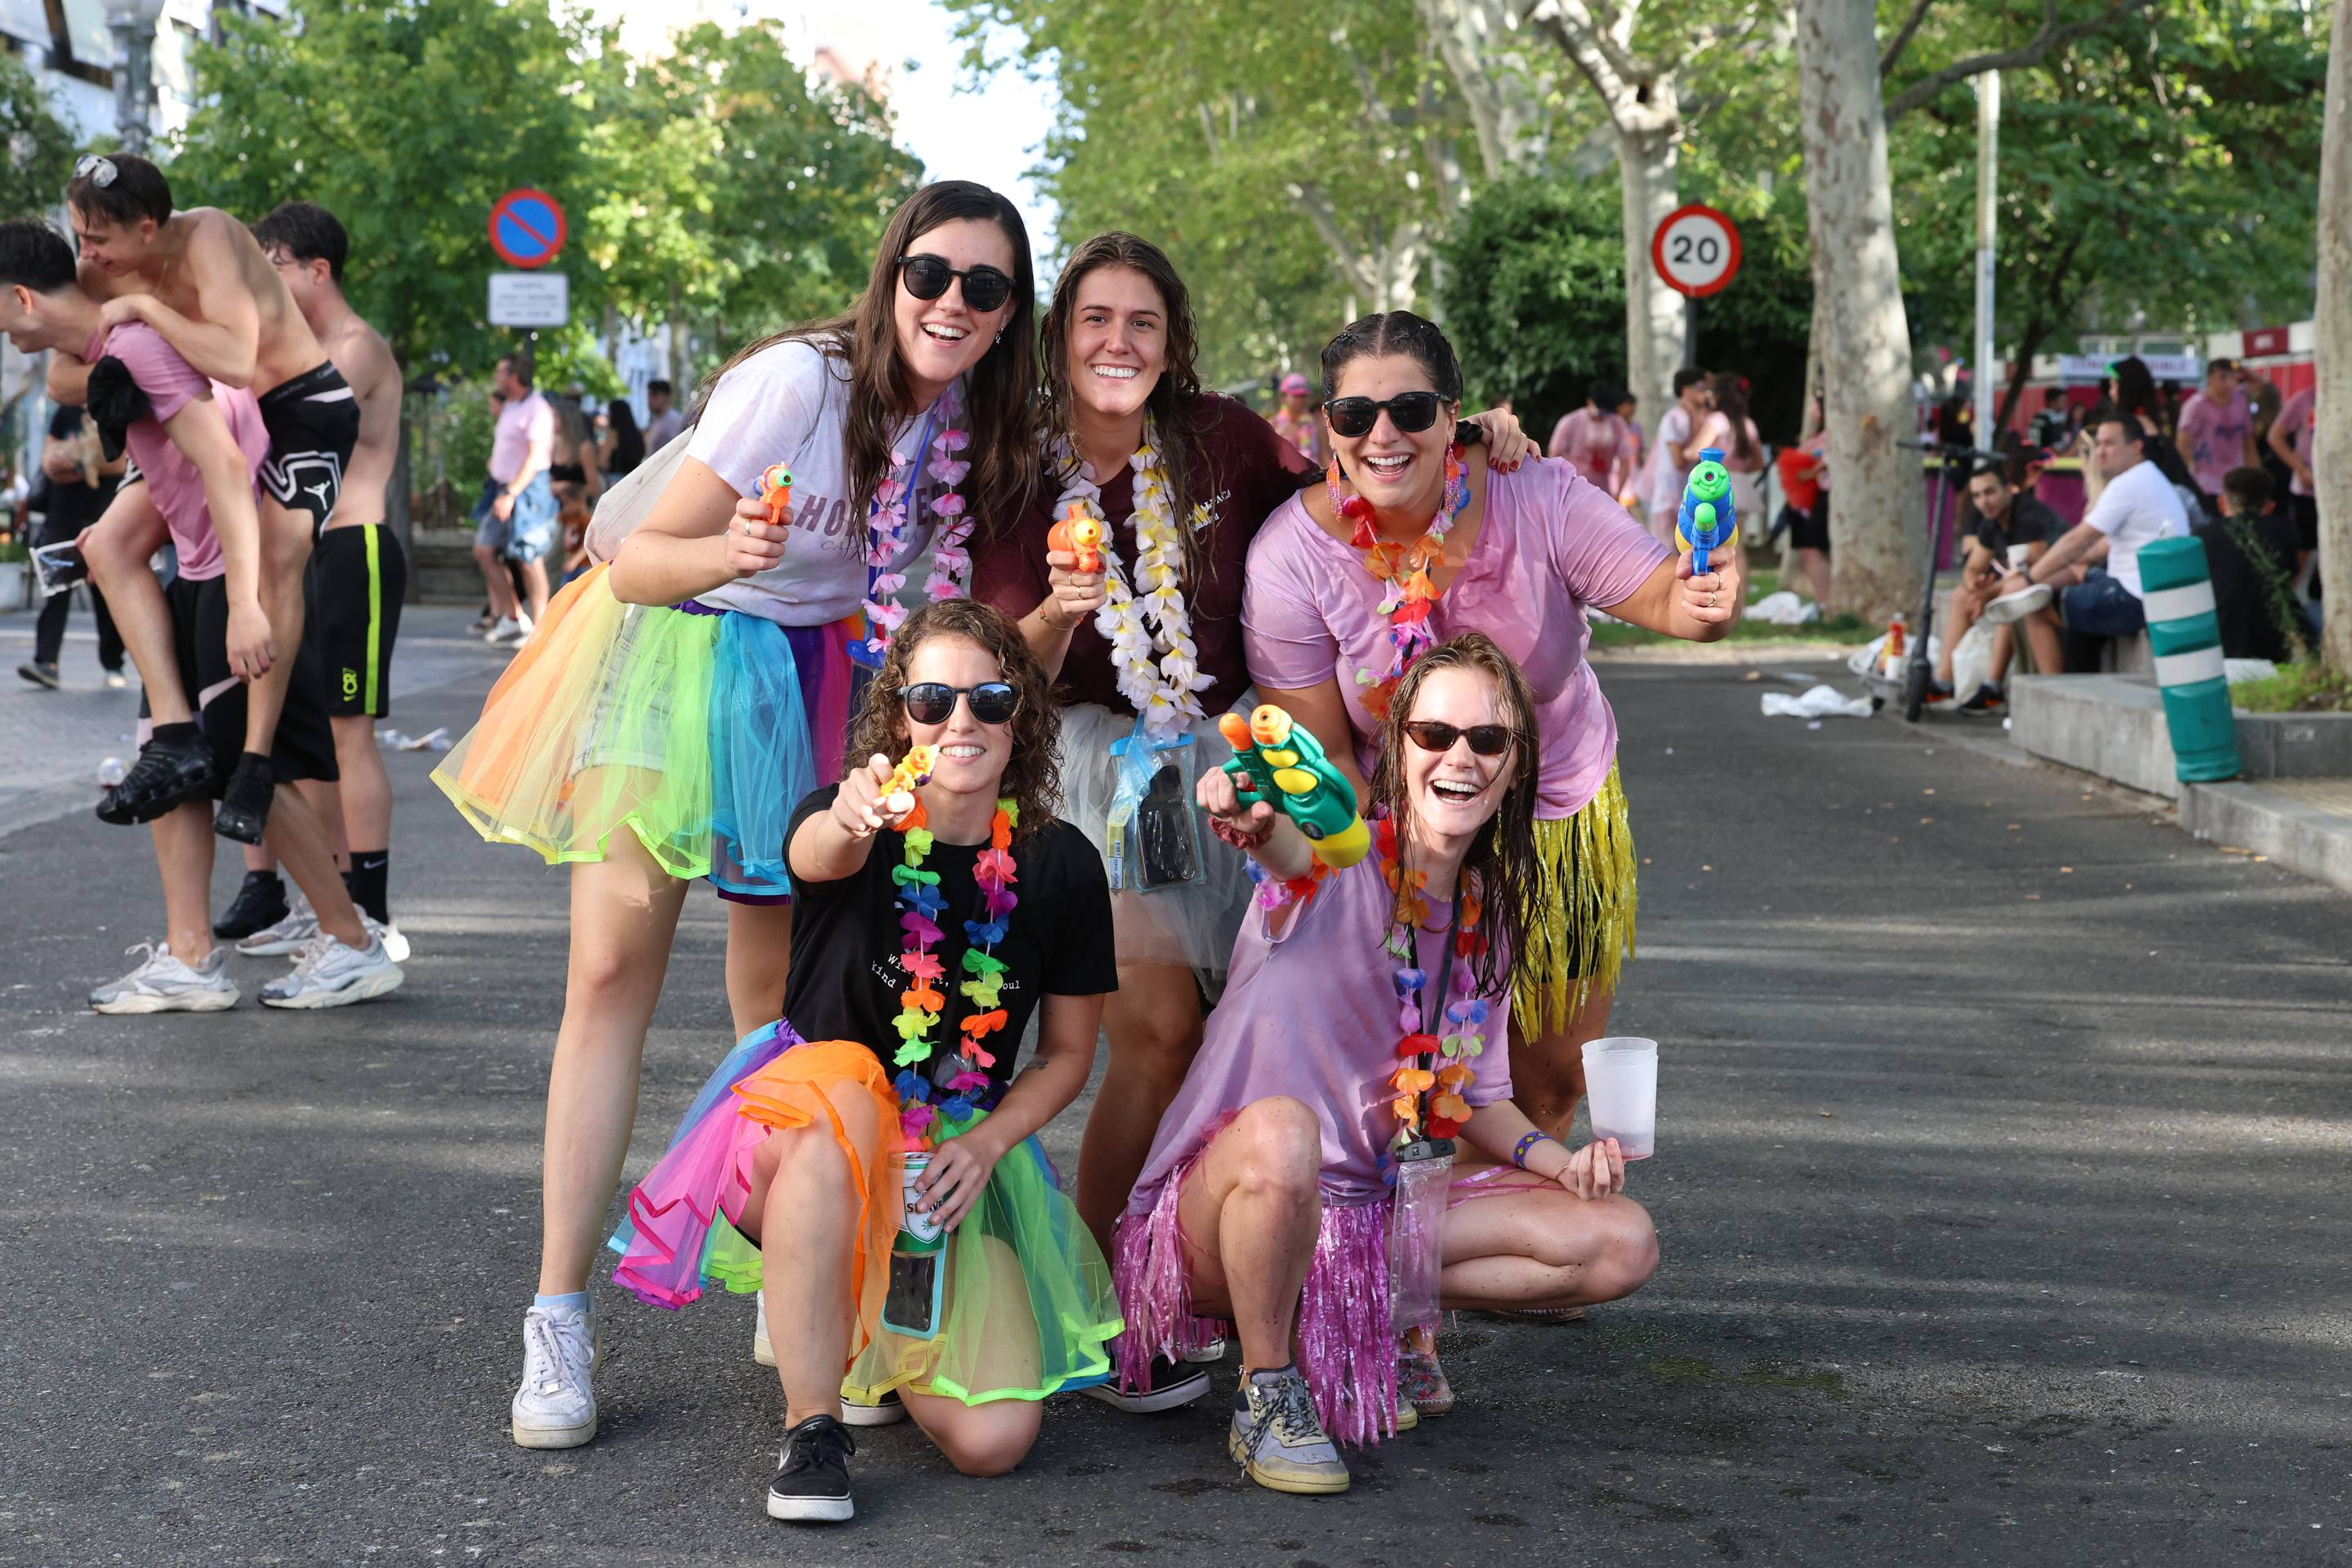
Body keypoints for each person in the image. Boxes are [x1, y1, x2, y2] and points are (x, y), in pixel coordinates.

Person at [430, 179, 1041, 1454]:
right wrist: (734, 554)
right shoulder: (799, 384)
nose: (951, 303)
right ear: (890, 276)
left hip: (815, 682)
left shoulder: (974, 425)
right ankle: (557, 1313)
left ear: (1006, 316)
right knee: (607, 974)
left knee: (782, 1005)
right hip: (679, 650)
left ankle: (796, 1261)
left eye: (985, 287)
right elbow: (634, 557)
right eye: (930, 273)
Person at [969, 236, 1532, 1417]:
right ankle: (1101, 1296)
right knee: (1159, 1028)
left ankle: (1225, 1273)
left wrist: (1467, 439)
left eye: (1144, 323)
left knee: (1243, 1024)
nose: (1117, 342)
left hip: (1236, 746)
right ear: (1060, 336)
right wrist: (1065, 616)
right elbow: (997, 673)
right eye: (1094, 320)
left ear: (1173, 344)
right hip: (1094, 761)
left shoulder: (1220, 438)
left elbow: (1357, 466)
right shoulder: (1015, 465)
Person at [612, 600, 1120, 1523]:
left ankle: (866, 1328)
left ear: (1022, 719)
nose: (959, 720)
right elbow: (816, 854)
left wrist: (992, 1143)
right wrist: (854, 817)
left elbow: (1068, 1056)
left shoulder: (1061, 866)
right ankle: (814, 1429)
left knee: (993, 1442)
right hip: (797, 1140)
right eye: (932, 700)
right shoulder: (847, 820)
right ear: (899, 721)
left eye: (989, 699)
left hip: (942, 1157)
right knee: (844, 1093)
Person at [1115, 634, 1658, 1494]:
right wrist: (1250, 815)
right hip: (1226, 1216)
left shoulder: (1485, 915)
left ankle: (1365, 1320)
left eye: (1488, 741)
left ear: (1515, 766)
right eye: (1435, 735)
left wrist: (1567, 1164)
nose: (1461, 758)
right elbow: (1285, 847)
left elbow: (1475, 1095)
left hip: (1364, 1221)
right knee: (1285, 1135)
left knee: (1621, 1242)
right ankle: (1269, 1388)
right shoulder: (1341, 861)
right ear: (1398, 748)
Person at [1244, 311, 1737, 1154]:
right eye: (1356, 416)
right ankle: (1375, 1255)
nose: (1383, 435)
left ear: (1452, 416)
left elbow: (1668, 598)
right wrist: (1405, 881)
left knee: (1544, 1078)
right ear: (1328, 425)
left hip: (1551, 817)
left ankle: (1509, 1259)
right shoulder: (1290, 555)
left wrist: (1707, 591)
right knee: (1390, 1083)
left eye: (1411, 410)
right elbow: (1320, 754)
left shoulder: (1536, 495)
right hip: (1384, 833)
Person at [0, 219, 399, 1012]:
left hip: (230, 559)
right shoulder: (122, 336)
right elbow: (74, 387)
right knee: (171, 755)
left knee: (238, 764)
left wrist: (246, 600)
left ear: (19, 299)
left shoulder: (148, 337)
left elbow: (223, 460)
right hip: (191, 553)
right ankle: (190, 956)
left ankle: (353, 940)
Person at [56, 153, 362, 847]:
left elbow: (234, 360)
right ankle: (173, 732)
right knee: (109, 543)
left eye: (99, 241)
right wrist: (120, 368)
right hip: (223, 418)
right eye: (79, 237)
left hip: (301, 404)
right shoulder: (100, 259)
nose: (88, 255)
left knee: (278, 554)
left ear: (146, 227)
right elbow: (59, 375)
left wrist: (141, 312)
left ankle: (254, 761)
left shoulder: (211, 238)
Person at [233, 201, 409, 952]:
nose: (262, 280)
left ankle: (369, 906)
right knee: (306, 741)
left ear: (316, 269)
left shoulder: (355, 347)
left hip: (355, 552)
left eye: (271, 265)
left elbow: (277, 412)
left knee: (349, 734)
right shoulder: (296, 344)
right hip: (301, 560)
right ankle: (323, 900)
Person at [1984, 415, 2187, 654]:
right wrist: (2040, 567)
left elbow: (2079, 539)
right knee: (2071, 573)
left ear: (2136, 446)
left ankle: (2047, 688)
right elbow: (2096, 550)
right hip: (2146, 592)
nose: (2100, 452)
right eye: (2098, 444)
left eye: (2109, 444)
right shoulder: (2147, 476)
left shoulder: (2129, 484)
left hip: (2135, 599)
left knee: (2035, 603)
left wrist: (2028, 580)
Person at [1927, 463, 2066, 714]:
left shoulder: (2029, 514)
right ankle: (1944, 680)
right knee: (1962, 595)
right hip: (2024, 586)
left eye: (1989, 492)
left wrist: (1987, 592)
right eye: (1977, 496)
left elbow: (2033, 570)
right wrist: (1974, 586)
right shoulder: (1991, 521)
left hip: (2055, 586)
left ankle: (1993, 685)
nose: (1983, 502)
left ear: (2008, 489)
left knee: (2008, 596)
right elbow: (1973, 567)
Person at [19, 402, 127, 690]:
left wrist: (73, 464)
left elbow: (119, 462)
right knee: (56, 587)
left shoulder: (115, 407)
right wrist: (88, 463)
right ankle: (46, 662)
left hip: (104, 515)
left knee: (106, 593)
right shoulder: (65, 412)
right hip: (62, 516)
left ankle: (113, 662)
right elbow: (50, 466)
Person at [474, 355, 556, 645]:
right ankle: (513, 617)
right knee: (485, 550)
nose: (496, 378)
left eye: (499, 372)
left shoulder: (538, 409)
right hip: (501, 488)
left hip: (526, 489)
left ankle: (541, 629)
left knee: (528, 557)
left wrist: (512, 492)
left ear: (513, 376)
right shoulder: (510, 406)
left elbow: (535, 457)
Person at [2199, 466, 2306, 664]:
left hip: (2219, 643)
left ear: (2221, 503)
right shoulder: (2285, 531)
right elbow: (2290, 576)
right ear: (2269, 507)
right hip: (2271, 643)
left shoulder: (2203, 536)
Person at [1645, 367, 1713, 549]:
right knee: (1665, 559)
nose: (1704, 392)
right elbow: (1680, 461)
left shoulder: (1699, 418)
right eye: (1699, 386)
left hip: (1687, 501)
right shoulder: (1673, 418)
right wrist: (1695, 424)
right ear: (1685, 389)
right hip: (1667, 501)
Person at [1774, 394, 1831, 606]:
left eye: (1815, 405)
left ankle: (1824, 603)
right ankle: (1821, 601)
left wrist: (1810, 473)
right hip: (1808, 501)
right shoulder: (1818, 435)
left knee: (1815, 550)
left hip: (1821, 499)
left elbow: (1825, 459)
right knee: (1810, 551)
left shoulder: (1830, 436)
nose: (1811, 410)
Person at [2175, 358, 2256, 509]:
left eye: (2232, 376)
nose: (2228, 382)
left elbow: (2248, 442)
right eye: (2223, 377)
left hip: (2236, 484)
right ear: (2210, 378)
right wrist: (2187, 480)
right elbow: (2183, 444)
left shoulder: (2240, 402)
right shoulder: (2196, 406)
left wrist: (2255, 476)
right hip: (2206, 484)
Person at [1698, 372, 1766, 523]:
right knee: (1737, 540)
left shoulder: (1717, 420)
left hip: (1716, 487)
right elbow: (1759, 463)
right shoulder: (1748, 424)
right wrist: (1739, 470)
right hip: (1741, 486)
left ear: (1718, 396)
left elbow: (1695, 451)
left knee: (1719, 541)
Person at [2267, 385, 2317, 573]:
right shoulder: (2305, 398)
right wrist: (2301, 469)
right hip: (2308, 488)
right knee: (2305, 545)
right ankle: (2291, 595)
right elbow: (2275, 436)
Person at [1547, 380, 1628, 493]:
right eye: (1600, 413)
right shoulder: (1570, 422)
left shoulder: (1617, 424)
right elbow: (1554, 455)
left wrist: (1618, 493)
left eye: (1606, 413)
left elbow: (1625, 460)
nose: (1601, 418)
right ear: (1589, 401)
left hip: (1603, 489)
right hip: (1572, 487)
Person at [1267, 371, 1324, 463]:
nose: (1300, 400)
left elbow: (1325, 456)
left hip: (1315, 475)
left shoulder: (1315, 422)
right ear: (1283, 397)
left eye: (1303, 396)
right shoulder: (1273, 425)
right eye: (1296, 396)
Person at [599, 397, 645, 480]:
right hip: (635, 479)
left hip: (616, 480)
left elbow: (602, 463)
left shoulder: (613, 435)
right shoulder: (637, 434)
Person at [641, 377, 684, 452]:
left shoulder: (673, 420)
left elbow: (679, 449)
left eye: (655, 394)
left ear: (666, 396)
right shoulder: (658, 419)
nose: (650, 399)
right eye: (649, 394)